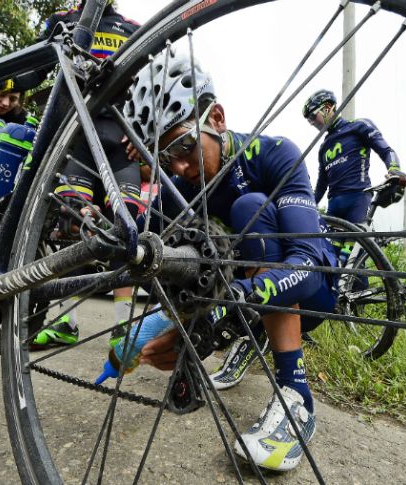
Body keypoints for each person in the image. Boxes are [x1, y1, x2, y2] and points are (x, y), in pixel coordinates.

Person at [124, 49, 338, 471]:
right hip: (242, 299)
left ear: (217, 118)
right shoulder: (176, 186)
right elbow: (149, 266)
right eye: (166, 159)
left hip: (309, 293)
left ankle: (296, 396)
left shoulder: (273, 153)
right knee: (170, 243)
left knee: (250, 207)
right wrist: (181, 325)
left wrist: (223, 307)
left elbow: (309, 262)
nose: (181, 166)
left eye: (185, 146)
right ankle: (243, 338)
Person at [15, 0, 143, 350]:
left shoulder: (133, 26)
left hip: (121, 143)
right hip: (74, 141)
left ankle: (123, 331)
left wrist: (147, 136)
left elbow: (156, 84)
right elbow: (31, 72)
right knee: (71, 228)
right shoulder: (61, 20)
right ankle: (65, 324)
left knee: (126, 231)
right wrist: (3, 81)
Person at [303, 89, 406, 225]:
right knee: (325, 246)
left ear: (327, 108)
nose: (312, 123)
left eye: (313, 116)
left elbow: (386, 150)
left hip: (358, 198)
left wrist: (394, 168)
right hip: (334, 205)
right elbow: (321, 186)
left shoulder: (358, 126)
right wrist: (305, 205)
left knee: (351, 246)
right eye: (309, 121)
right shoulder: (324, 147)